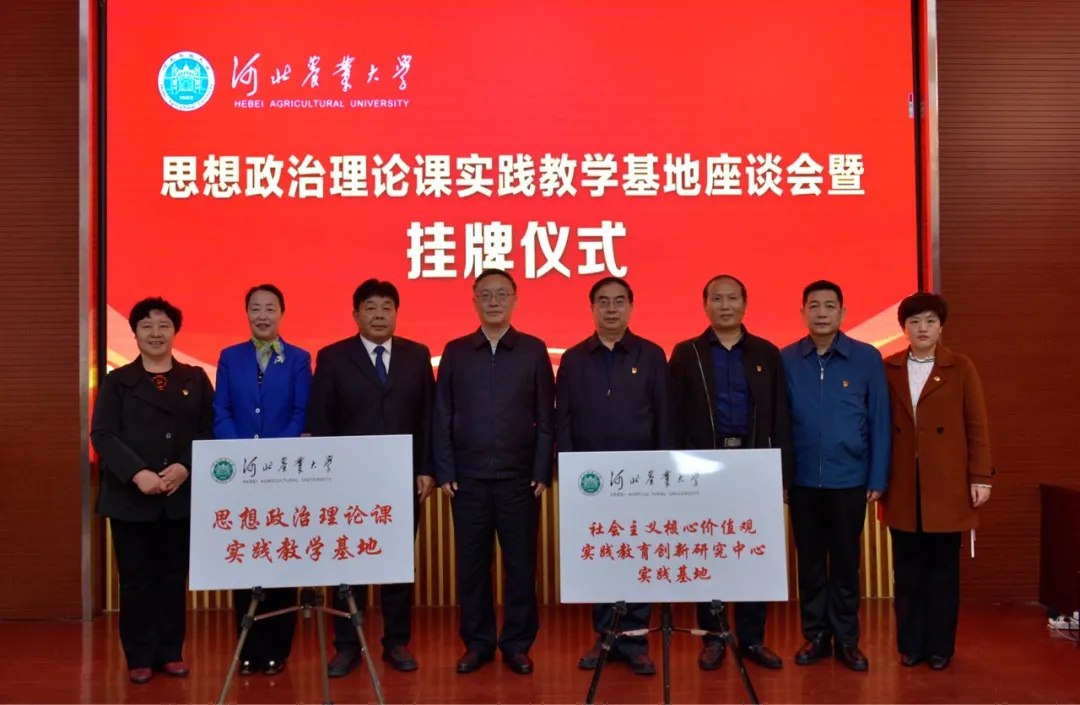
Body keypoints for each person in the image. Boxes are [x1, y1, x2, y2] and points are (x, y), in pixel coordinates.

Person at [306, 279, 436, 677]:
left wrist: (427, 469)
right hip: (348, 480)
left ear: (396, 313)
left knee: (397, 563)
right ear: (356, 314)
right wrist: (325, 476)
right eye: (370, 307)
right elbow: (320, 421)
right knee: (348, 560)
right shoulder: (332, 357)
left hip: (401, 477)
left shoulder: (417, 355)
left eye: (386, 307)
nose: (379, 315)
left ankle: (396, 641)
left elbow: (428, 418)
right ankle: (347, 645)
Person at [432, 268, 555, 676]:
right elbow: (442, 414)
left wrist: (542, 469)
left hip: (520, 480)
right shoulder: (455, 351)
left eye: (502, 294)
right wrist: (445, 469)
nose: (494, 301)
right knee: (472, 567)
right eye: (486, 294)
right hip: (467, 480)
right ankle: (478, 643)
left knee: (521, 567)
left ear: (515, 300)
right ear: (474, 301)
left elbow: (546, 415)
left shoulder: (533, 349)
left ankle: (517, 644)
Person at [668, 274, 791, 671]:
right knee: (710, 549)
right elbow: (673, 414)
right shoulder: (686, 353)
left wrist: (781, 474)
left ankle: (752, 638)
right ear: (705, 305)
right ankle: (714, 636)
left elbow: (781, 416)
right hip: (703, 466)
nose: (725, 306)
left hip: (754, 464)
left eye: (732, 298)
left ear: (745, 304)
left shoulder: (766, 352)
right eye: (717, 299)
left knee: (752, 551)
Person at [90, 297, 214, 684]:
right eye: (146, 326)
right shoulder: (117, 381)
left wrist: (186, 466)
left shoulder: (195, 379)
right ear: (135, 333)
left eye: (163, 326)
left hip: (180, 496)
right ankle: (140, 655)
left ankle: (171, 651)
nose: (155, 333)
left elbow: (211, 430)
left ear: (175, 332)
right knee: (136, 579)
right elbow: (103, 434)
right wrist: (137, 473)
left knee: (173, 577)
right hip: (131, 498)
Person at [559, 277, 675, 677]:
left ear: (630, 307)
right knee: (601, 554)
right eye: (603, 302)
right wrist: (568, 470)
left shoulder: (652, 354)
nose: (611, 309)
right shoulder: (573, 358)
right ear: (592, 308)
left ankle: (636, 640)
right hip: (591, 480)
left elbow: (664, 415)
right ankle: (606, 636)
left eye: (619, 302)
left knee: (638, 553)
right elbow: (563, 420)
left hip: (643, 478)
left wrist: (665, 471)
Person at [780, 280, 890, 672]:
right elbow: (780, 424)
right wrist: (782, 477)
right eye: (814, 306)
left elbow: (879, 419)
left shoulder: (866, 358)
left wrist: (877, 475)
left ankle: (846, 638)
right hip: (803, 482)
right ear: (803, 313)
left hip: (850, 478)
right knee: (810, 563)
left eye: (830, 306)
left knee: (845, 562)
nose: (822, 313)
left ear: (843, 313)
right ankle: (815, 636)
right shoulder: (786, 359)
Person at [881, 292, 993, 671]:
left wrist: (980, 476)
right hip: (903, 483)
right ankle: (911, 646)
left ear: (941, 326)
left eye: (930, 320)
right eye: (914, 321)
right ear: (904, 328)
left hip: (946, 483)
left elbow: (977, 426)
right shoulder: (888, 368)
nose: (922, 328)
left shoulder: (960, 367)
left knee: (943, 572)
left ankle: (940, 647)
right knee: (907, 572)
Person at [213, 284, 312, 676]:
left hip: (283, 475)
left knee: (281, 558)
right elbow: (222, 411)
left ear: (282, 314)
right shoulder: (229, 356)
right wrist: (241, 455)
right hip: (241, 476)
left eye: (270, 308)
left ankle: (277, 650)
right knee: (246, 560)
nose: (263, 315)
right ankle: (247, 649)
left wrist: (273, 456)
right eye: (255, 308)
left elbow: (301, 413)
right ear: (247, 313)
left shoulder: (299, 358)